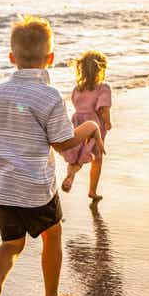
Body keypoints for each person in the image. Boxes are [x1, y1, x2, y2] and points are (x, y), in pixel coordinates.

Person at [0, 15, 104, 296]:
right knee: (52, 235)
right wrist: (90, 127)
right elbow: (62, 143)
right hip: (34, 187)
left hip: (0, 187)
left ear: (12, 57)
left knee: (11, 244)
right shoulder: (49, 96)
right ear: (50, 58)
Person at [60, 50, 113, 203]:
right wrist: (108, 122)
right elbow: (103, 108)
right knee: (97, 158)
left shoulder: (77, 89)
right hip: (94, 126)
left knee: (77, 156)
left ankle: (71, 175)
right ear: (100, 69)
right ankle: (92, 191)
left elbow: (76, 104)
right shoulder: (103, 88)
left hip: (77, 122)